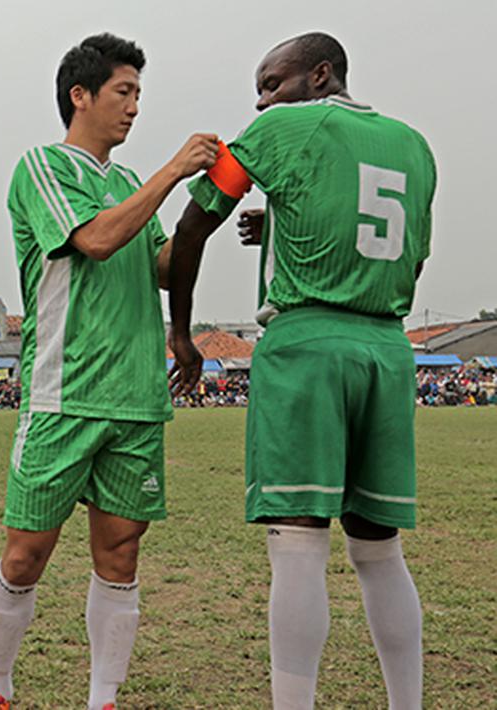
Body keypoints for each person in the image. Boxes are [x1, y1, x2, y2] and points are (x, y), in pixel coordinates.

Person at [166, 32, 434, 710]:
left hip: (307, 344)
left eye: (272, 83)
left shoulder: (282, 129)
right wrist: (285, 219)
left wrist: (181, 331)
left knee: (296, 546)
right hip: (386, 349)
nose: (261, 102)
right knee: (378, 551)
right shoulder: (413, 145)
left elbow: (195, 225)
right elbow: (402, 251)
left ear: (319, 75)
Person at [0, 34, 217, 710]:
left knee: (121, 556)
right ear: (79, 95)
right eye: (123, 92)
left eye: (139, 94)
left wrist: (211, 209)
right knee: (26, 555)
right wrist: (171, 172)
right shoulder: (42, 167)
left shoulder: (128, 184)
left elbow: (164, 268)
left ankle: (101, 699)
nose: (134, 107)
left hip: (135, 396)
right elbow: (97, 240)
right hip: (64, 393)